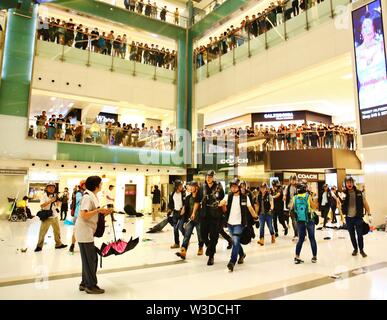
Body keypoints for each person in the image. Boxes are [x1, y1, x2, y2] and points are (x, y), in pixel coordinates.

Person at [75, 176, 113, 294]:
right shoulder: (87, 197)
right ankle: (90, 286)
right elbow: (84, 215)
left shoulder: (92, 196)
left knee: (87, 259)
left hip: (87, 231)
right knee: (91, 259)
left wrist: (104, 212)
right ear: (96, 185)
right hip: (84, 232)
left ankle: (84, 283)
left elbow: (92, 214)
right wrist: (98, 211)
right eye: (101, 183)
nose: (102, 185)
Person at [221, 178, 257, 272]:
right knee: (235, 242)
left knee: (236, 241)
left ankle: (232, 262)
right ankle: (242, 254)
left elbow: (250, 209)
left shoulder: (245, 197)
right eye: (231, 186)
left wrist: (256, 217)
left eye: (234, 186)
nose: (233, 188)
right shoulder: (228, 196)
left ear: (239, 187)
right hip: (230, 223)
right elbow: (223, 202)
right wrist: (220, 204)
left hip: (239, 224)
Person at [199, 170, 225, 266]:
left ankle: (211, 256)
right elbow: (198, 200)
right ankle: (209, 247)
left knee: (214, 236)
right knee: (203, 235)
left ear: (214, 177)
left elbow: (222, 199)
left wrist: (223, 214)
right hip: (204, 215)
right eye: (207, 176)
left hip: (215, 215)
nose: (208, 178)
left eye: (210, 176)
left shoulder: (218, 187)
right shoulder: (202, 187)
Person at [341, 177, 371, 257]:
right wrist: (342, 217)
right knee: (352, 235)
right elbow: (340, 205)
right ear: (345, 184)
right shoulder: (343, 193)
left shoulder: (359, 193)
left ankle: (361, 250)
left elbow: (365, 203)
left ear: (353, 183)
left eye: (350, 182)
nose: (349, 184)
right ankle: (355, 249)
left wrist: (369, 213)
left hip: (358, 217)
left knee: (360, 235)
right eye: (347, 182)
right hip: (348, 218)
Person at [34, 182, 67, 252]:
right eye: (50, 187)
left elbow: (57, 205)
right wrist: (51, 200)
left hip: (55, 216)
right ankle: (39, 246)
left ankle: (58, 244)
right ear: (47, 188)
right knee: (42, 232)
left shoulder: (56, 195)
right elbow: (42, 205)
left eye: (53, 187)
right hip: (47, 217)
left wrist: (59, 201)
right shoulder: (44, 195)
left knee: (57, 232)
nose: (51, 188)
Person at [290, 183, 318, 264]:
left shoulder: (295, 198)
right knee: (312, 238)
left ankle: (297, 256)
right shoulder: (308, 196)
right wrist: (313, 199)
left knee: (301, 239)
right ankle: (314, 257)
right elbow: (314, 207)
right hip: (309, 219)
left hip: (300, 220)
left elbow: (292, 209)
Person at [176, 181, 204, 259]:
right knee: (186, 235)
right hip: (190, 219)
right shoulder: (188, 197)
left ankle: (200, 247)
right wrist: (181, 213)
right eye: (190, 186)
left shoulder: (201, 197)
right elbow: (185, 207)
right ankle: (183, 251)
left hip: (199, 220)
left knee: (200, 235)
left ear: (196, 187)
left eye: (192, 186)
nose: (191, 188)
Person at [69, 180, 86, 253]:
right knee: (76, 231)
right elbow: (79, 201)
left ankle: (84, 246)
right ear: (82, 185)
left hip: (84, 214)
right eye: (85, 185)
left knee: (85, 231)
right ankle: (72, 245)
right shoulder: (79, 193)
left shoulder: (85, 193)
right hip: (78, 215)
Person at [168, 180, 185, 249]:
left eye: (182, 185)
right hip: (175, 212)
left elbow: (185, 203)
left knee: (180, 227)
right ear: (176, 187)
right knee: (175, 228)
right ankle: (177, 243)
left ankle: (186, 238)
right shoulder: (172, 194)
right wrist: (169, 211)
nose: (182, 187)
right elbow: (171, 203)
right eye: (180, 186)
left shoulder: (183, 193)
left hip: (182, 212)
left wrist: (184, 209)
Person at [284, 175, 299, 240]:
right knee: (294, 220)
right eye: (292, 180)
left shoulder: (299, 187)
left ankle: (301, 234)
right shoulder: (288, 187)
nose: (293, 181)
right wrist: (284, 196)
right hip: (291, 206)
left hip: (299, 205)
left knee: (300, 220)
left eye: (294, 180)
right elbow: (285, 195)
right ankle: (296, 234)